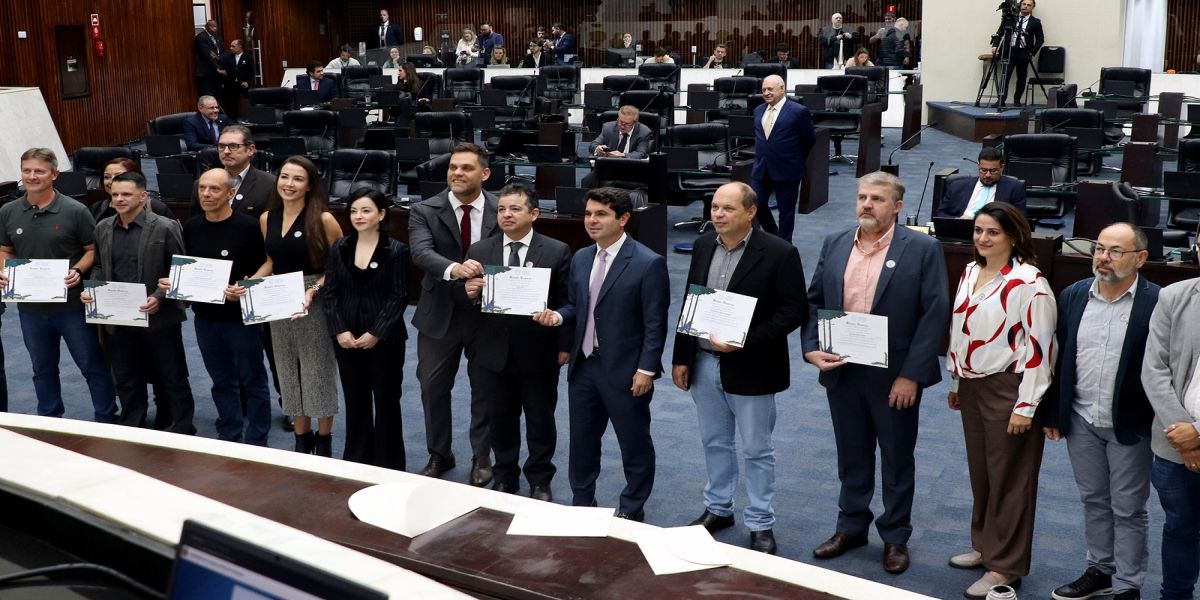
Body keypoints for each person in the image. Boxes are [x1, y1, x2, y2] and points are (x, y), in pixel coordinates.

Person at [802, 171, 949, 574]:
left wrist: (912, 376)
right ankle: (850, 527)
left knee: (897, 458)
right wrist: (812, 348)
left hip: (894, 376)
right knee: (851, 455)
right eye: (863, 197)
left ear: (897, 206)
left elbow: (934, 315)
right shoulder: (835, 242)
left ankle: (895, 536)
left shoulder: (922, 248)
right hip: (843, 368)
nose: (867, 204)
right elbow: (815, 301)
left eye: (877, 199)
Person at [672, 182, 807, 555]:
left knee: (756, 449)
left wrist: (745, 339)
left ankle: (761, 522)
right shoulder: (702, 246)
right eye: (714, 207)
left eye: (727, 208)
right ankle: (719, 509)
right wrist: (681, 357)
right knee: (714, 442)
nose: (717, 214)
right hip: (702, 363)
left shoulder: (780, 252)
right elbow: (690, 301)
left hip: (753, 366)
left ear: (750, 212)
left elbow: (794, 310)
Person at [532, 187, 671, 522]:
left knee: (633, 444)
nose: (591, 221)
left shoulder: (648, 263)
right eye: (588, 214)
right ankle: (583, 501)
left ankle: (632, 508)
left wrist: (646, 370)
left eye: (601, 214)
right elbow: (577, 306)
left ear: (623, 219)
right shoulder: (581, 258)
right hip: (584, 369)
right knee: (581, 442)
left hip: (625, 372)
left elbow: (655, 323)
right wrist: (559, 316)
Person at [946, 201, 1057, 599]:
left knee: (1011, 479)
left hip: (1010, 389)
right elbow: (960, 329)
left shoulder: (1029, 283)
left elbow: (1041, 350)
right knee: (983, 472)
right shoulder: (971, 271)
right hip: (973, 386)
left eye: (992, 232)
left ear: (1013, 236)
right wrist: (958, 381)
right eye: (978, 230)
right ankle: (985, 545)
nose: (982, 238)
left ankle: (1005, 567)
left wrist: (1026, 406)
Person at [1041, 223, 1157, 600]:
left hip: (1129, 423)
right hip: (1081, 418)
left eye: (1115, 251)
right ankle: (1100, 569)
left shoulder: (1156, 302)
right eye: (1099, 249)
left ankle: (1127, 585)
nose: (1103, 258)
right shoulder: (1075, 295)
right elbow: (1059, 359)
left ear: (1140, 258)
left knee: (1127, 508)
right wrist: (1054, 414)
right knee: (1093, 498)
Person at [457, 183, 571, 501]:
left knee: (540, 420)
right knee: (500, 419)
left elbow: (567, 302)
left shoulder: (556, 250)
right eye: (502, 209)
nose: (506, 214)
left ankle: (540, 479)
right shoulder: (480, 251)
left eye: (515, 209)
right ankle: (505, 476)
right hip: (492, 353)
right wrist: (468, 294)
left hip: (539, 353)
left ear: (534, 214)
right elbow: (466, 301)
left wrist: (563, 343)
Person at [0, 148, 115, 422]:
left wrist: (78, 270)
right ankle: (49, 420)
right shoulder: (8, 211)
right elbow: (5, 250)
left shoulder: (75, 211)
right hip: (31, 309)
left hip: (72, 307)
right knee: (42, 369)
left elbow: (91, 250)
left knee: (92, 366)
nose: (32, 176)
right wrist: (5, 271)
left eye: (39, 171)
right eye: (27, 170)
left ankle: (106, 418)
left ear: (54, 174)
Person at [238, 156, 343, 456]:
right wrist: (250, 284)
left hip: (314, 303)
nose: (289, 184)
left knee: (317, 372)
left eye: (297, 179)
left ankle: (323, 443)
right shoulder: (266, 218)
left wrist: (314, 289)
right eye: (284, 177)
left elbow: (339, 266)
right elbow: (271, 262)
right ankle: (301, 440)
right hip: (278, 302)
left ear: (309, 185)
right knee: (287, 371)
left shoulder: (323, 219)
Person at [408, 143, 499, 484]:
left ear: (484, 174)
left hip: (486, 313)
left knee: (485, 388)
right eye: (453, 168)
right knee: (432, 387)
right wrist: (456, 269)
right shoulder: (425, 210)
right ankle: (439, 453)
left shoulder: (500, 208)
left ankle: (481, 456)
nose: (457, 173)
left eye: (466, 168)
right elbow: (421, 253)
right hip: (439, 312)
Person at [84, 171, 194, 434]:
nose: (119, 199)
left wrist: (159, 297)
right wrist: (93, 290)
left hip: (159, 318)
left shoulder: (165, 227)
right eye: (115, 195)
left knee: (172, 377)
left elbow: (180, 271)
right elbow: (99, 265)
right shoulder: (103, 228)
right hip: (118, 318)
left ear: (143, 196)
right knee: (126, 377)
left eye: (126, 194)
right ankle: (133, 425)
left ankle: (183, 427)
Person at [170, 168, 271, 446]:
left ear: (230, 193)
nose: (206, 194)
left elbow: (269, 261)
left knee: (253, 381)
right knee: (221, 380)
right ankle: (229, 432)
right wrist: (175, 283)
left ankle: (257, 438)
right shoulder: (191, 226)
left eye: (214, 189)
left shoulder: (249, 226)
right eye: (202, 188)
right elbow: (189, 269)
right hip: (206, 319)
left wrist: (251, 283)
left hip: (242, 319)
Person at [323, 189, 410, 470]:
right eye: (353, 211)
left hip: (384, 340)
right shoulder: (340, 248)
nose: (358, 216)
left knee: (386, 402)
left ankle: (389, 464)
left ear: (381, 215)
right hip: (346, 339)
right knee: (356, 400)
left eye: (366, 211)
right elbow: (331, 292)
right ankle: (357, 461)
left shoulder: (396, 250)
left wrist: (376, 333)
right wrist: (339, 330)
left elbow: (399, 296)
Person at [1142, 278, 1200, 600]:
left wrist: (1199, 433)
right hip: (1174, 443)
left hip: (1188, 438)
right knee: (1180, 528)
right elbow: (1153, 370)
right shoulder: (1174, 296)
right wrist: (1184, 437)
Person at [751, 75, 815, 242]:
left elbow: (808, 140)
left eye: (770, 89)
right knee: (756, 204)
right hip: (761, 168)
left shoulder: (798, 111)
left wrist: (795, 159)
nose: (766, 93)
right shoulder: (758, 110)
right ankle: (774, 236)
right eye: (764, 89)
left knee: (786, 212)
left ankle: (785, 246)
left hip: (788, 168)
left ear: (782, 88)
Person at [188, 125, 275, 221]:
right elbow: (195, 223)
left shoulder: (270, 184)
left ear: (250, 150)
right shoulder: (202, 184)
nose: (226, 151)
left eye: (233, 146)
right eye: (221, 146)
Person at [936, 147, 1027, 219]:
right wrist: (958, 220)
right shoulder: (957, 186)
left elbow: (1020, 219)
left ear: (1002, 168)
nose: (987, 175)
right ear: (978, 166)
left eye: (993, 171)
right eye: (983, 170)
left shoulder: (1014, 187)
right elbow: (940, 214)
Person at [581, 105, 653, 188]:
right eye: (620, 122)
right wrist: (598, 148)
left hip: (631, 169)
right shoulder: (608, 127)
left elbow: (641, 154)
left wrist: (622, 155)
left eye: (627, 124)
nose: (622, 126)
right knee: (587, 181)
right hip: (608, 168)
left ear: (635, 122)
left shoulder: (644, 132)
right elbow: (593, 145)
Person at [993, 0, 1043, 107]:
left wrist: (1032, 52)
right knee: (1005, 76)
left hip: (1023, 52)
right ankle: (1001, 100)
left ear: (1032, 8)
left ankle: (1017, 100)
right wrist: (995, 46)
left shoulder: (1035, 22)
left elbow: (1040, 39)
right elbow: (1000, 32)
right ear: (1020, 5)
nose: (1025, 6)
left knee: (1021, 77)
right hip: (1009, 51)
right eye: (1024, 4)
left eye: (1029, 5)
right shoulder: (1010, 18)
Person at [93, 158, 172, 222]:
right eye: (107, 177)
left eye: (119, 176)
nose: (112, 181)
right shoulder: (96, 208)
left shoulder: (156, 208)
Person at [221, 39, 254, 121]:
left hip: (244, 83)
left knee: (247, 101)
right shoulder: (228, 57)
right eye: (231, 46)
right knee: (232, 102)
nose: (231, 48)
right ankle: (233, 119)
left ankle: (249, 118)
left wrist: (248, 82)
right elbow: (226, 69)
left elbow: (251, 72)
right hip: (232, 84)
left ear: (240, 47)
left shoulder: (248, 57)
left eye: (233, 46)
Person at [194, 19, 225, 98]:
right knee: (207, 97)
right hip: (206, 73)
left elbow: (224, 52)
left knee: (218, 96)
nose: (215, 28)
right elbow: (208, 54)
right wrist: (217, 68)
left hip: (218, 74)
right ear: (206, 27)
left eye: (216, 26)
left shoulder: (218, 38)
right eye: (212, 26)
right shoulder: (201, 37)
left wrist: (219, 58)